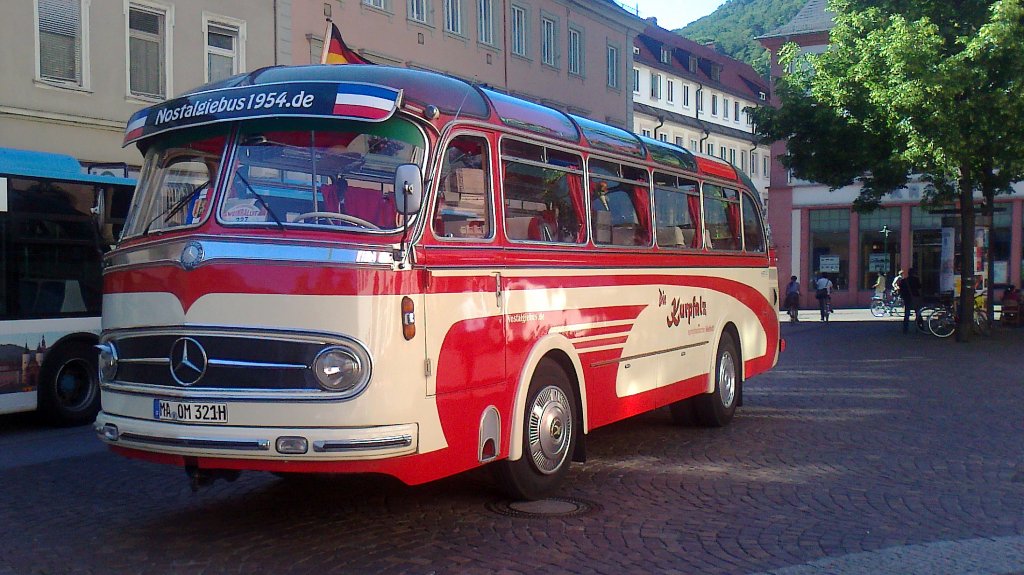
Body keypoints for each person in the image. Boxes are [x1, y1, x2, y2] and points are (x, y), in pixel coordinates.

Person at [899, 267, 922, 333]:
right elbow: (919, 287)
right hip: (915, 298)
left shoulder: (903, 281)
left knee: (907, 314)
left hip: (907, 299)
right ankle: (920, 327)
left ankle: (905, 329)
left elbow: (901, 290)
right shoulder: (916, 279)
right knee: (918, 313)